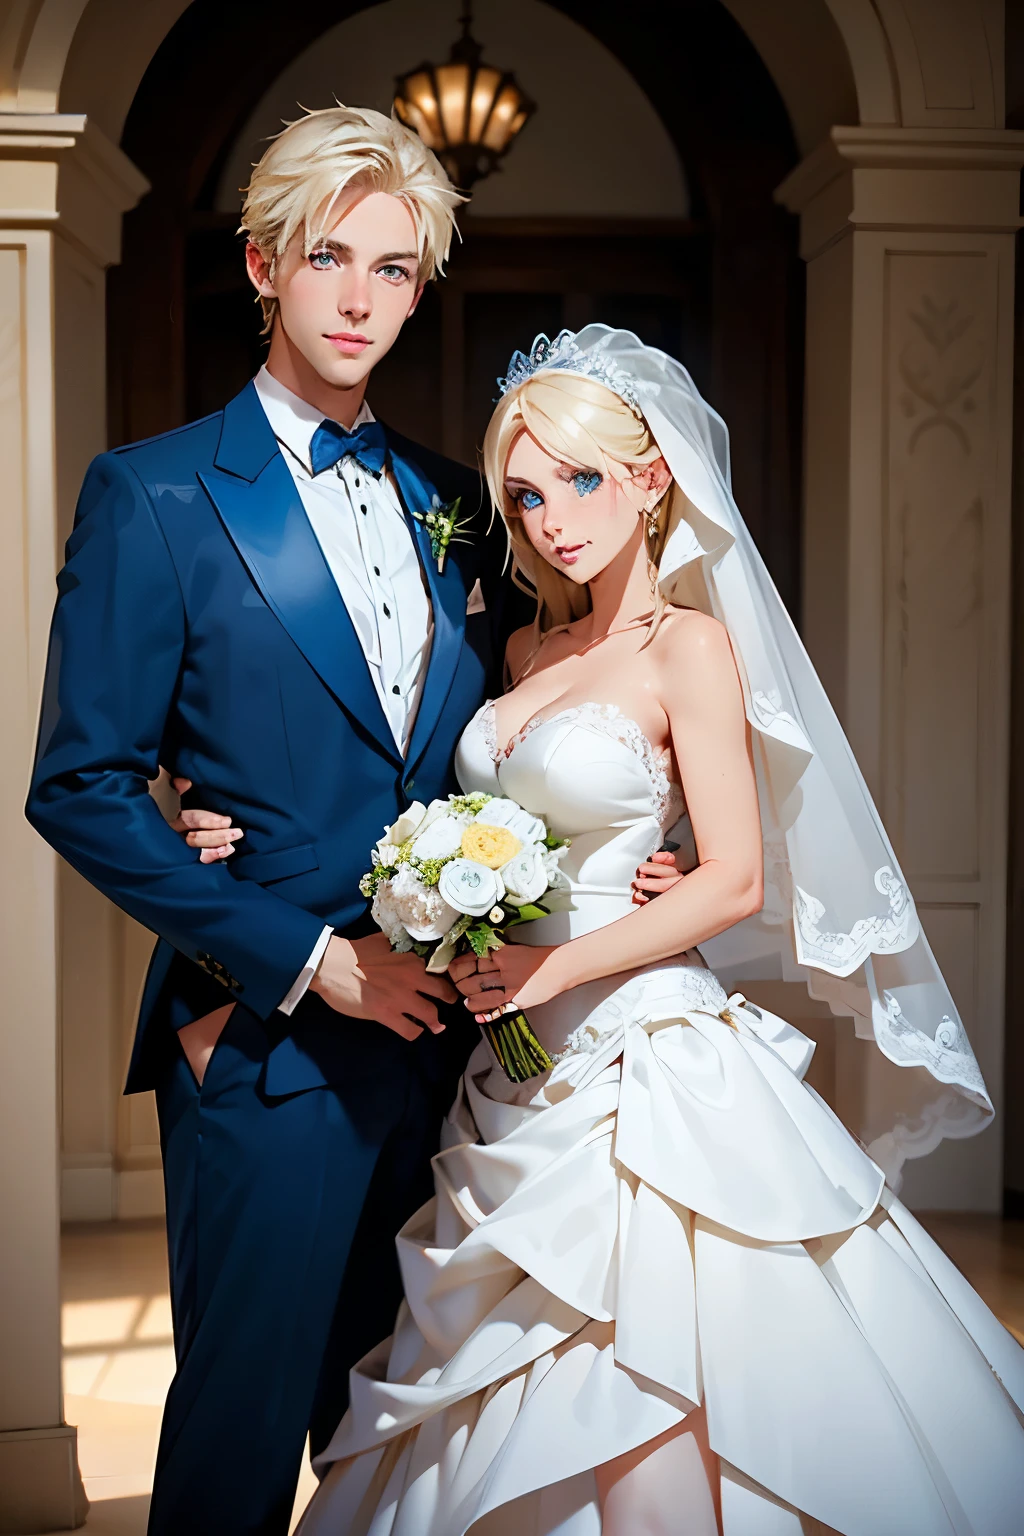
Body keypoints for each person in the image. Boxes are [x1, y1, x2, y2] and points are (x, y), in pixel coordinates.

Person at [270, 327, 1019, 1533]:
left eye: (581, 479)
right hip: (508, 1066)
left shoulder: (691, 646)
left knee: (651, 1360)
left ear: (651, 476)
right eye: (524, 493)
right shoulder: (516, 649)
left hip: (642, 1060)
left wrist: (549, 964)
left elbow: (728, 882)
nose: (553, 517)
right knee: (515, 1372)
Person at [26, 106, 520, 1536]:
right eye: (329, 259)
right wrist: (311, 957)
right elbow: (80, 782)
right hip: (268, 1051)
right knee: (241, 1439)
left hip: (454, 1052)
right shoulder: (157, 493)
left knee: (410, 1442)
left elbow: (510, 734)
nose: (362, 297)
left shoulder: (455, 504)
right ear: (263, 266)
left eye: (395, 268)